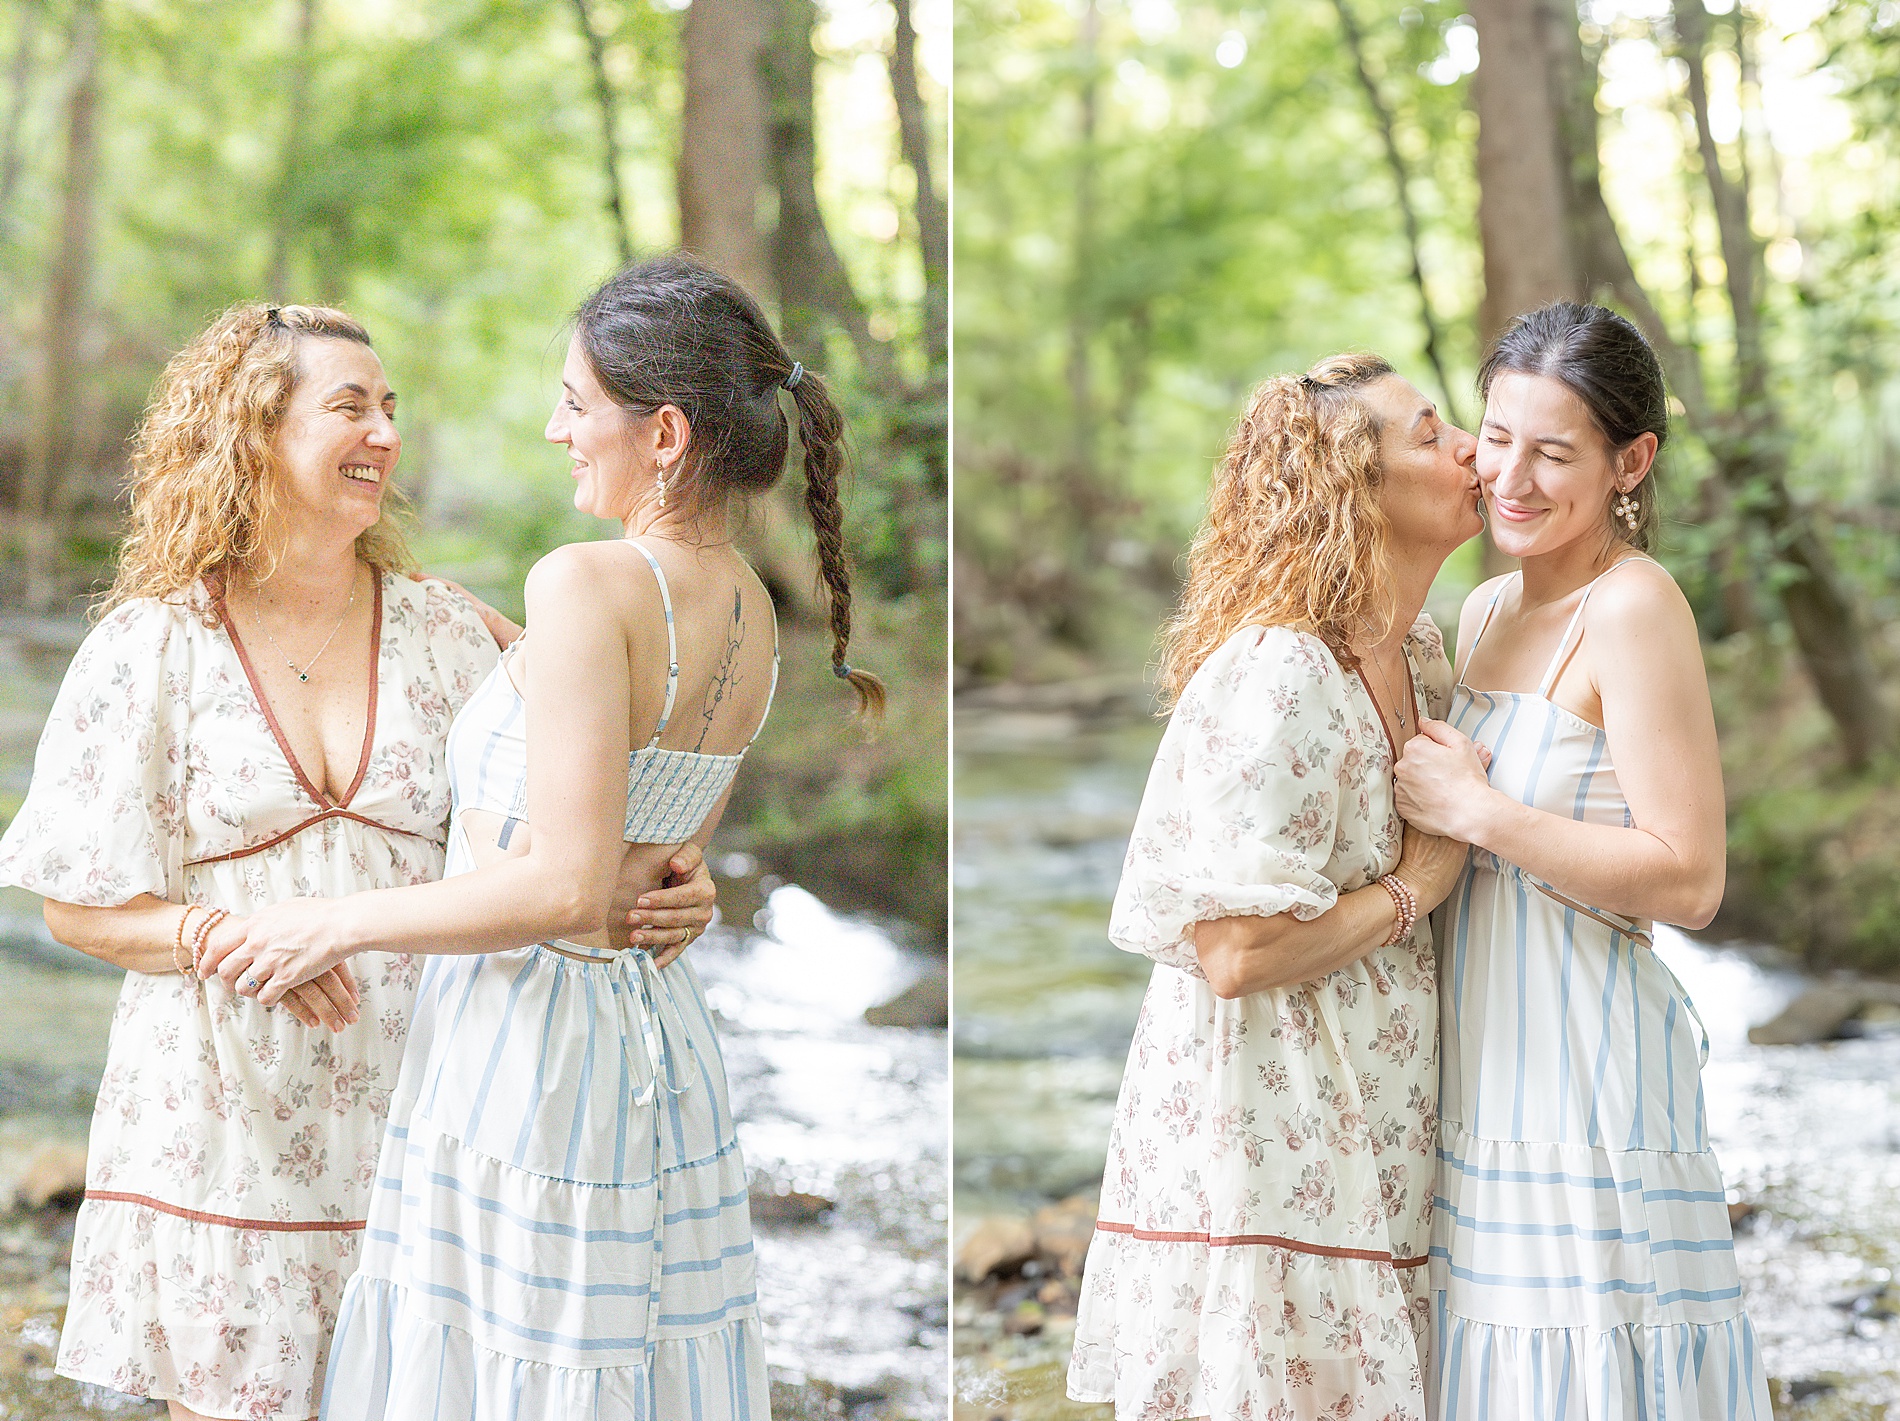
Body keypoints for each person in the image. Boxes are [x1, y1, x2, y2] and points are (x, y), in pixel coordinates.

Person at [0, 303, 715, 1421]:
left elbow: (612, 779)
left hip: (436, 1114)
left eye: (390, 408)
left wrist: (679, 870)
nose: (384, 431)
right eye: (349, 407)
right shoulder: (152, 643)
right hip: (222, 1126)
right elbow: (74, 907)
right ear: (251, 434)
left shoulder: (453, 628)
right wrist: (217, 934)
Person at [197, 255, 884, 1419]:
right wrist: (513, 647)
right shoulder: (749, 603)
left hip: (529, 1046)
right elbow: (651, 832)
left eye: (575, 401)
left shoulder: (589, 579)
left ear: (661, 431)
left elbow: (569, 882)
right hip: (650, 1043)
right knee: (616, 1361)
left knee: (504, 1370)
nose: (554, 426)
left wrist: (329, 919)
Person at [1067, 355, 1482, 1421]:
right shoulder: (1280, 671)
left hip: (1361, 1111)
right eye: (1432, 435)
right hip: (1268, 1125)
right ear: (1358, 484)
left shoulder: (1416, 656)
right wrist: (1418, 885)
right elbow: (1235, 952)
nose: (1471, 449)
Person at [1394, 302, 1770, 1416]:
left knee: (1591, 1368)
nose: (1510, 475)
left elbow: (1690, 876)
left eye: (1553, 452)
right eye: (1496, 435)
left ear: (1629, 461)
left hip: (1588, 1064)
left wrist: (1483, 810)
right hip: (1485, 1063)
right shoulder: (1486, 603)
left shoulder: (1634, 604)